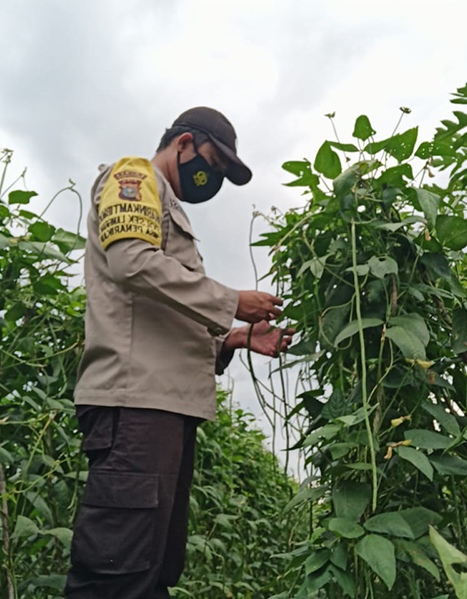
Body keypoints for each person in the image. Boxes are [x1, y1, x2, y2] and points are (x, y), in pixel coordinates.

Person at [65, 107, 294, 599]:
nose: (213, 179)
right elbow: (131, 262)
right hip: (136, 406)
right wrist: (231, 302)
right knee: (116, 576)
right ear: (184, 143)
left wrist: (233, 338)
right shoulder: (134, 176)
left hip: (161, 408)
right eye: (213, 163)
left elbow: (163, 314)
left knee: (151, 571)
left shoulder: (169, 207)